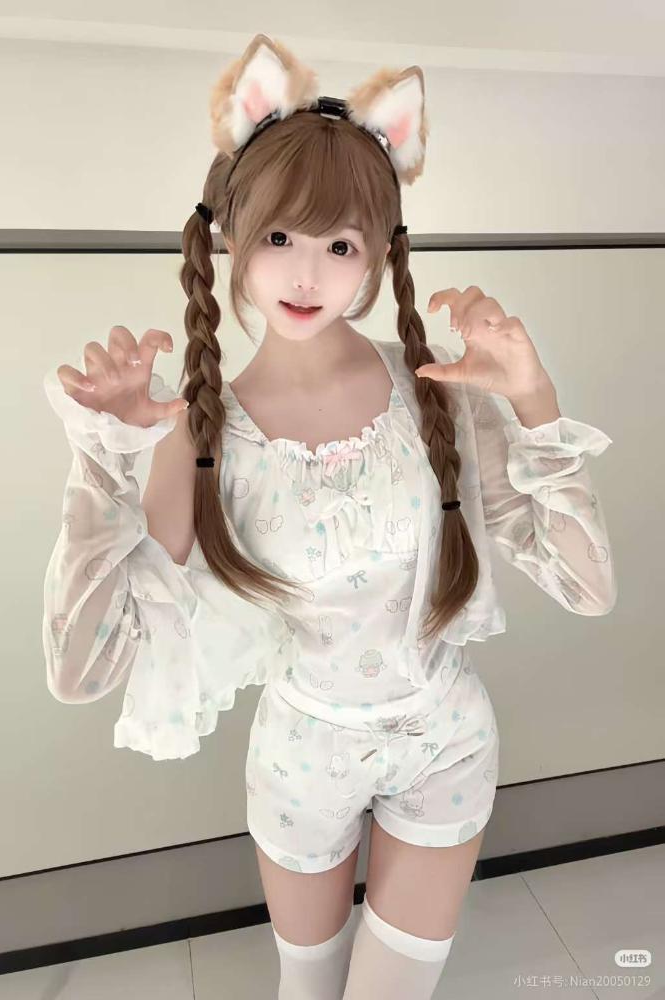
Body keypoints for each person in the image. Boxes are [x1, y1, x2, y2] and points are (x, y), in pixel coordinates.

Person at [42, 32, 617, 1000]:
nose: (307, 273)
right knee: (307, 989)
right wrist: (105, 459)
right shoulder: (199, 432)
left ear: (378, 257)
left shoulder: (439, 392)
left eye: (341, 244)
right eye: (280, 237)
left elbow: (587, 586)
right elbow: (83, 670)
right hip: (303, 755)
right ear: (232, 234)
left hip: (447, 738)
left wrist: (534, 399)